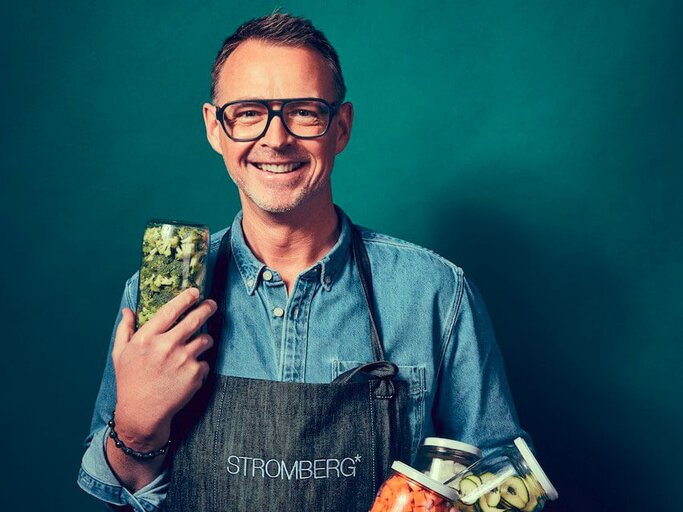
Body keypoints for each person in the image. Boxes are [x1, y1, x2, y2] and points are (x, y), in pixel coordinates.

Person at [78, 12, 528, 511]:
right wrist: (137, 427)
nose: (275, 138)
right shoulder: (160, 297)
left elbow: (502, 479)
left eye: (305, 112)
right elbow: (117, 490)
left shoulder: (436, 293)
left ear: (341, 127)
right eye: (248, 112)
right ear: (214, 128)